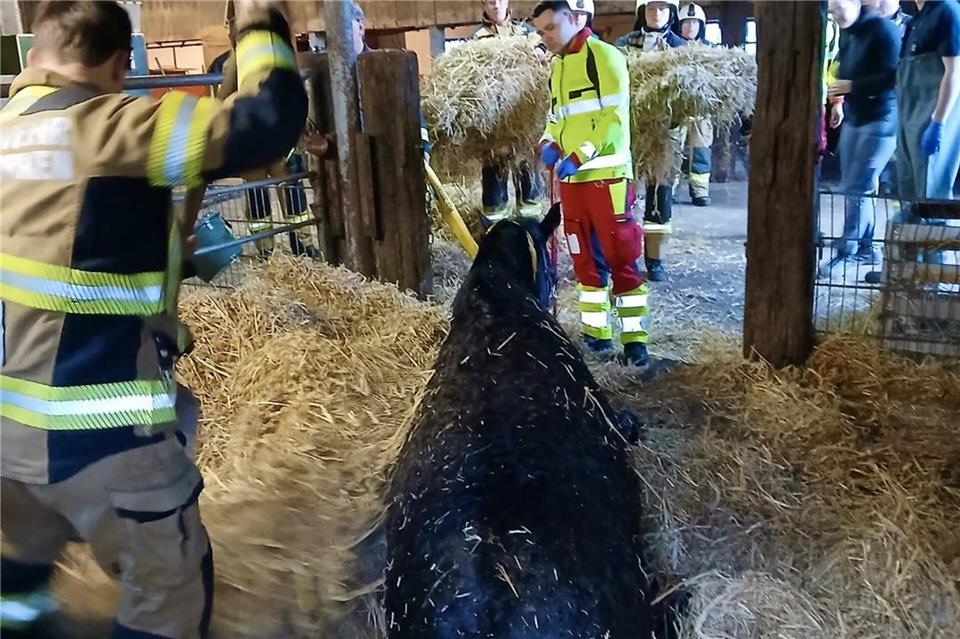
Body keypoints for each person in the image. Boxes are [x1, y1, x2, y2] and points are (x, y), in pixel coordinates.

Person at [0, 2, 306, 638]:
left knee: (17, 586)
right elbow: (267, 124)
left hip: (8, 443)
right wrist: (260, 28)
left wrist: (163, 252)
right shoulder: (118, 127)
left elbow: (66, 244)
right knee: (169, 598)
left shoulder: (4, 131)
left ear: (34, 54)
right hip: (104, 439)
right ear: (118, 64)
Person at [533, 0, 651, 367]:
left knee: (621, 257)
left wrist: (578, 155)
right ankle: (596, 336)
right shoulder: (558, 68)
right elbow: (556, 117)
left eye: (551, 27)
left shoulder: (606, 57)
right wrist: (547, 142)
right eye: (539, 32)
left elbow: (612, 120)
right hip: (572, 181)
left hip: (607, 177)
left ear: (572, 19)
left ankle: (634, 341)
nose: (546, 37)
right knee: (584, 258)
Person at [823, 0, 901, 273]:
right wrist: (839, 102)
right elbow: (843, 70)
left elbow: (896, 76)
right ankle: (867, 249)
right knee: (855, 187)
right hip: (856, 117)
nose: (836, 14)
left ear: (856, 3)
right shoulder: (850, 34)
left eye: (840, 6)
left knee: (857, 187)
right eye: (832, 10)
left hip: (881, 119)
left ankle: (849, 251)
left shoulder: (883, 30)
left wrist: (854, 86)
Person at [616, 0, 685, 282]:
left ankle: (655, 259)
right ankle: (623, 254)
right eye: (651, 9)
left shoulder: (682, 47)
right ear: (641, 12)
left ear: (671, 13)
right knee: (623, 194)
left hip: (665, 132)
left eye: (662, 9)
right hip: (630, 129)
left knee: (660, 197)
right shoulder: (623, 44)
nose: (656, 14)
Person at [472, 0, 544, 226]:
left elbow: (544, 57)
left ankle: (531, 236)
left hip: (525, 121)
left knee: (530, 186)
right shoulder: (477, 40)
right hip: (494, 125)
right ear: (483, 4)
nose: (495, 5)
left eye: (499, 0)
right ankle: (497, 235)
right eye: (489, 1)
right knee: (494, 187)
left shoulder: (527, 34)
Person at [896, 0, 960, 202]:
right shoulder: (918, 17)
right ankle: (914, 232)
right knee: (909, 188)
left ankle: (937, 232)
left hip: (932, 113)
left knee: (931, 192)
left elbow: (954, 72)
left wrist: (938, 123)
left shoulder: (947, 11)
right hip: (909, 114)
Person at [676, 2, 714, 207]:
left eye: (694, 22)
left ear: (701, 25)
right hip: (676, 109)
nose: (690, 26)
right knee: (673, 149)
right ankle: (669, 188)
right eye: (686, 22)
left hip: (701, 111)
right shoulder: (672, 47)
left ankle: (699, 191)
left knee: (700, 151)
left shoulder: (711, 51)